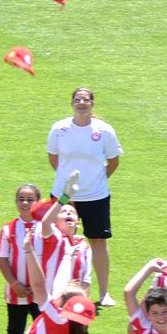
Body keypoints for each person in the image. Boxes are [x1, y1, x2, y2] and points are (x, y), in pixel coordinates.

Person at [44, 87, 121, 298]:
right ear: (72, 103)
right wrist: (67, 183)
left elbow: (113, 161)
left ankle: (104, 293)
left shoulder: (104, 131)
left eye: (85, 100)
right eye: (77, 99)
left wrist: (97, 179)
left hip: (96, 195)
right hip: (63, 196)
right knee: (59, 240)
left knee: (98, 241)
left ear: (92, 104)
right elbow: (54, 158)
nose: (81, 103)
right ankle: (57, 291)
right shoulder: (59, 129)